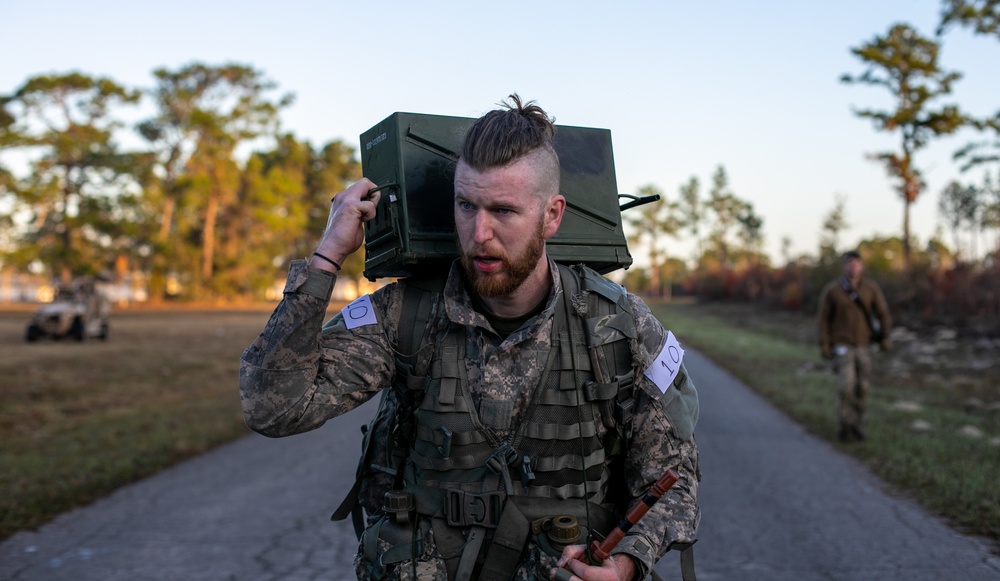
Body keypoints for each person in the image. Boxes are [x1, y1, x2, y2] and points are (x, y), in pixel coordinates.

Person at [239, 95, 700, 581]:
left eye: (503, 210)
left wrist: (627, 562)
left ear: (552, 215)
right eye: (466, 205)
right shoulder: (404, 314)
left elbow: (672, 479)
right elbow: (274, 409)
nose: (479, 233)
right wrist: (328, 255)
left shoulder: (620, 326)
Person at [817, 250, 892, 442]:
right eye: (849, 263)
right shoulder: (833, 290)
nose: (853, 267)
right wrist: (825, 345)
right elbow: (823, 319)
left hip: (864, 345)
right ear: (844, 267)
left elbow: (883, 312)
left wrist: (885, 336)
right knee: (846, 384)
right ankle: (845, 425)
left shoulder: (870, 288)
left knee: (862, 387)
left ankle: (857, 424)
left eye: (857, 263)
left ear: (862, 266)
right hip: (842, 345)